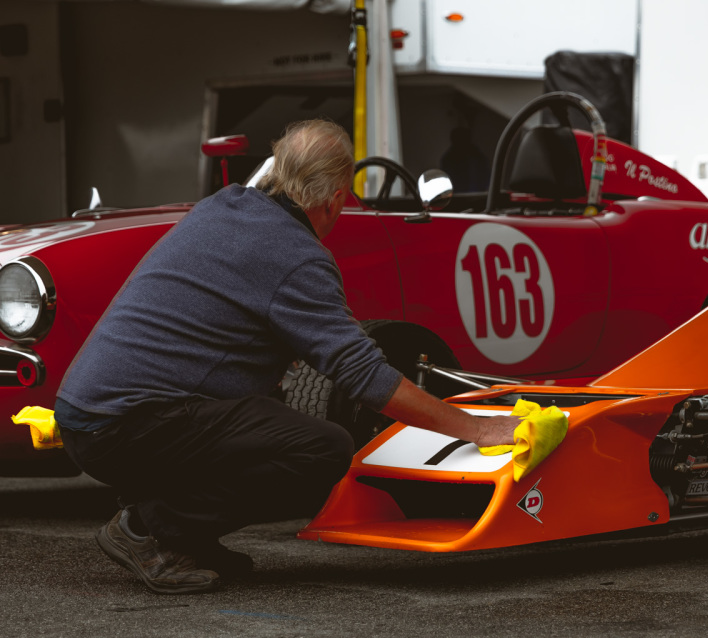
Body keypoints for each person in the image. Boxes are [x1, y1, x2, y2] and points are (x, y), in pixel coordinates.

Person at [55, 119, 518, 595]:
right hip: (125, 425)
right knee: (322, 449)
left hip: (83, 416)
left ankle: (180, 536)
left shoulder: (223, 205)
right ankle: (151, 529)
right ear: (336, 197)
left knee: (264, 417)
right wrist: (477, 428)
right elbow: (365, 379)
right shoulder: (296, 255)